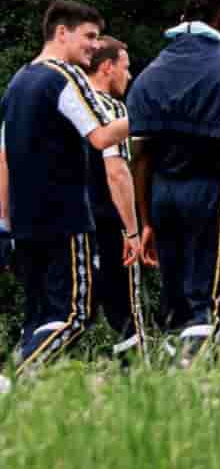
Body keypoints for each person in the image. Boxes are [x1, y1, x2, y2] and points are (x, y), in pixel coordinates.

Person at [127, 0, 220, 363]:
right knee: (209, 301)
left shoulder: (149, 75)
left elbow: (139, 157)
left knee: (175, 298)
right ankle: (191, 376)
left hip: (161, 194)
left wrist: (145, 221)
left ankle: (172, 376)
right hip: (210, 191)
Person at [0, 1, 133, 372]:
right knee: (75, 313)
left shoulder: (18, 80)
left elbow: (3, 158)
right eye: (89, 36)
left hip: (26, 224)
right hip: (65, 219)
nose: (94, 45)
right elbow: (102, 136)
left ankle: (20, 399)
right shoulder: (64, 77)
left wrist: (4, 222)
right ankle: (20, 375)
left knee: (39, 316)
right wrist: (149, 115)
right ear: (62, 33)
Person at [86, 36, 148, 359]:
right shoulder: (111, 109)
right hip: (110, 223)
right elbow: (118, 172)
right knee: (127, 312)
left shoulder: (66, 104)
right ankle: (137, 382)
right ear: (108, 67)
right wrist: (133, 231)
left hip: (72, 221)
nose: (130, 75)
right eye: (126, 67)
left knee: (74, 308)